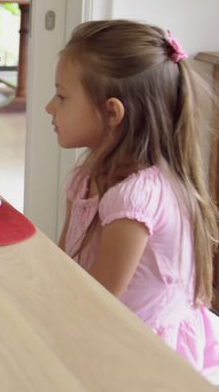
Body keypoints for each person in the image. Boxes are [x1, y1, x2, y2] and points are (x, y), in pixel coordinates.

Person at [48, 20, 219, 373]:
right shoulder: (85, 178)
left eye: (62, 97)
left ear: (112, 112)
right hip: (106, 327)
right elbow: (65, 270)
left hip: (146, 354)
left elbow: (98, 303)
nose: (51, 107)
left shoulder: (135, 200)